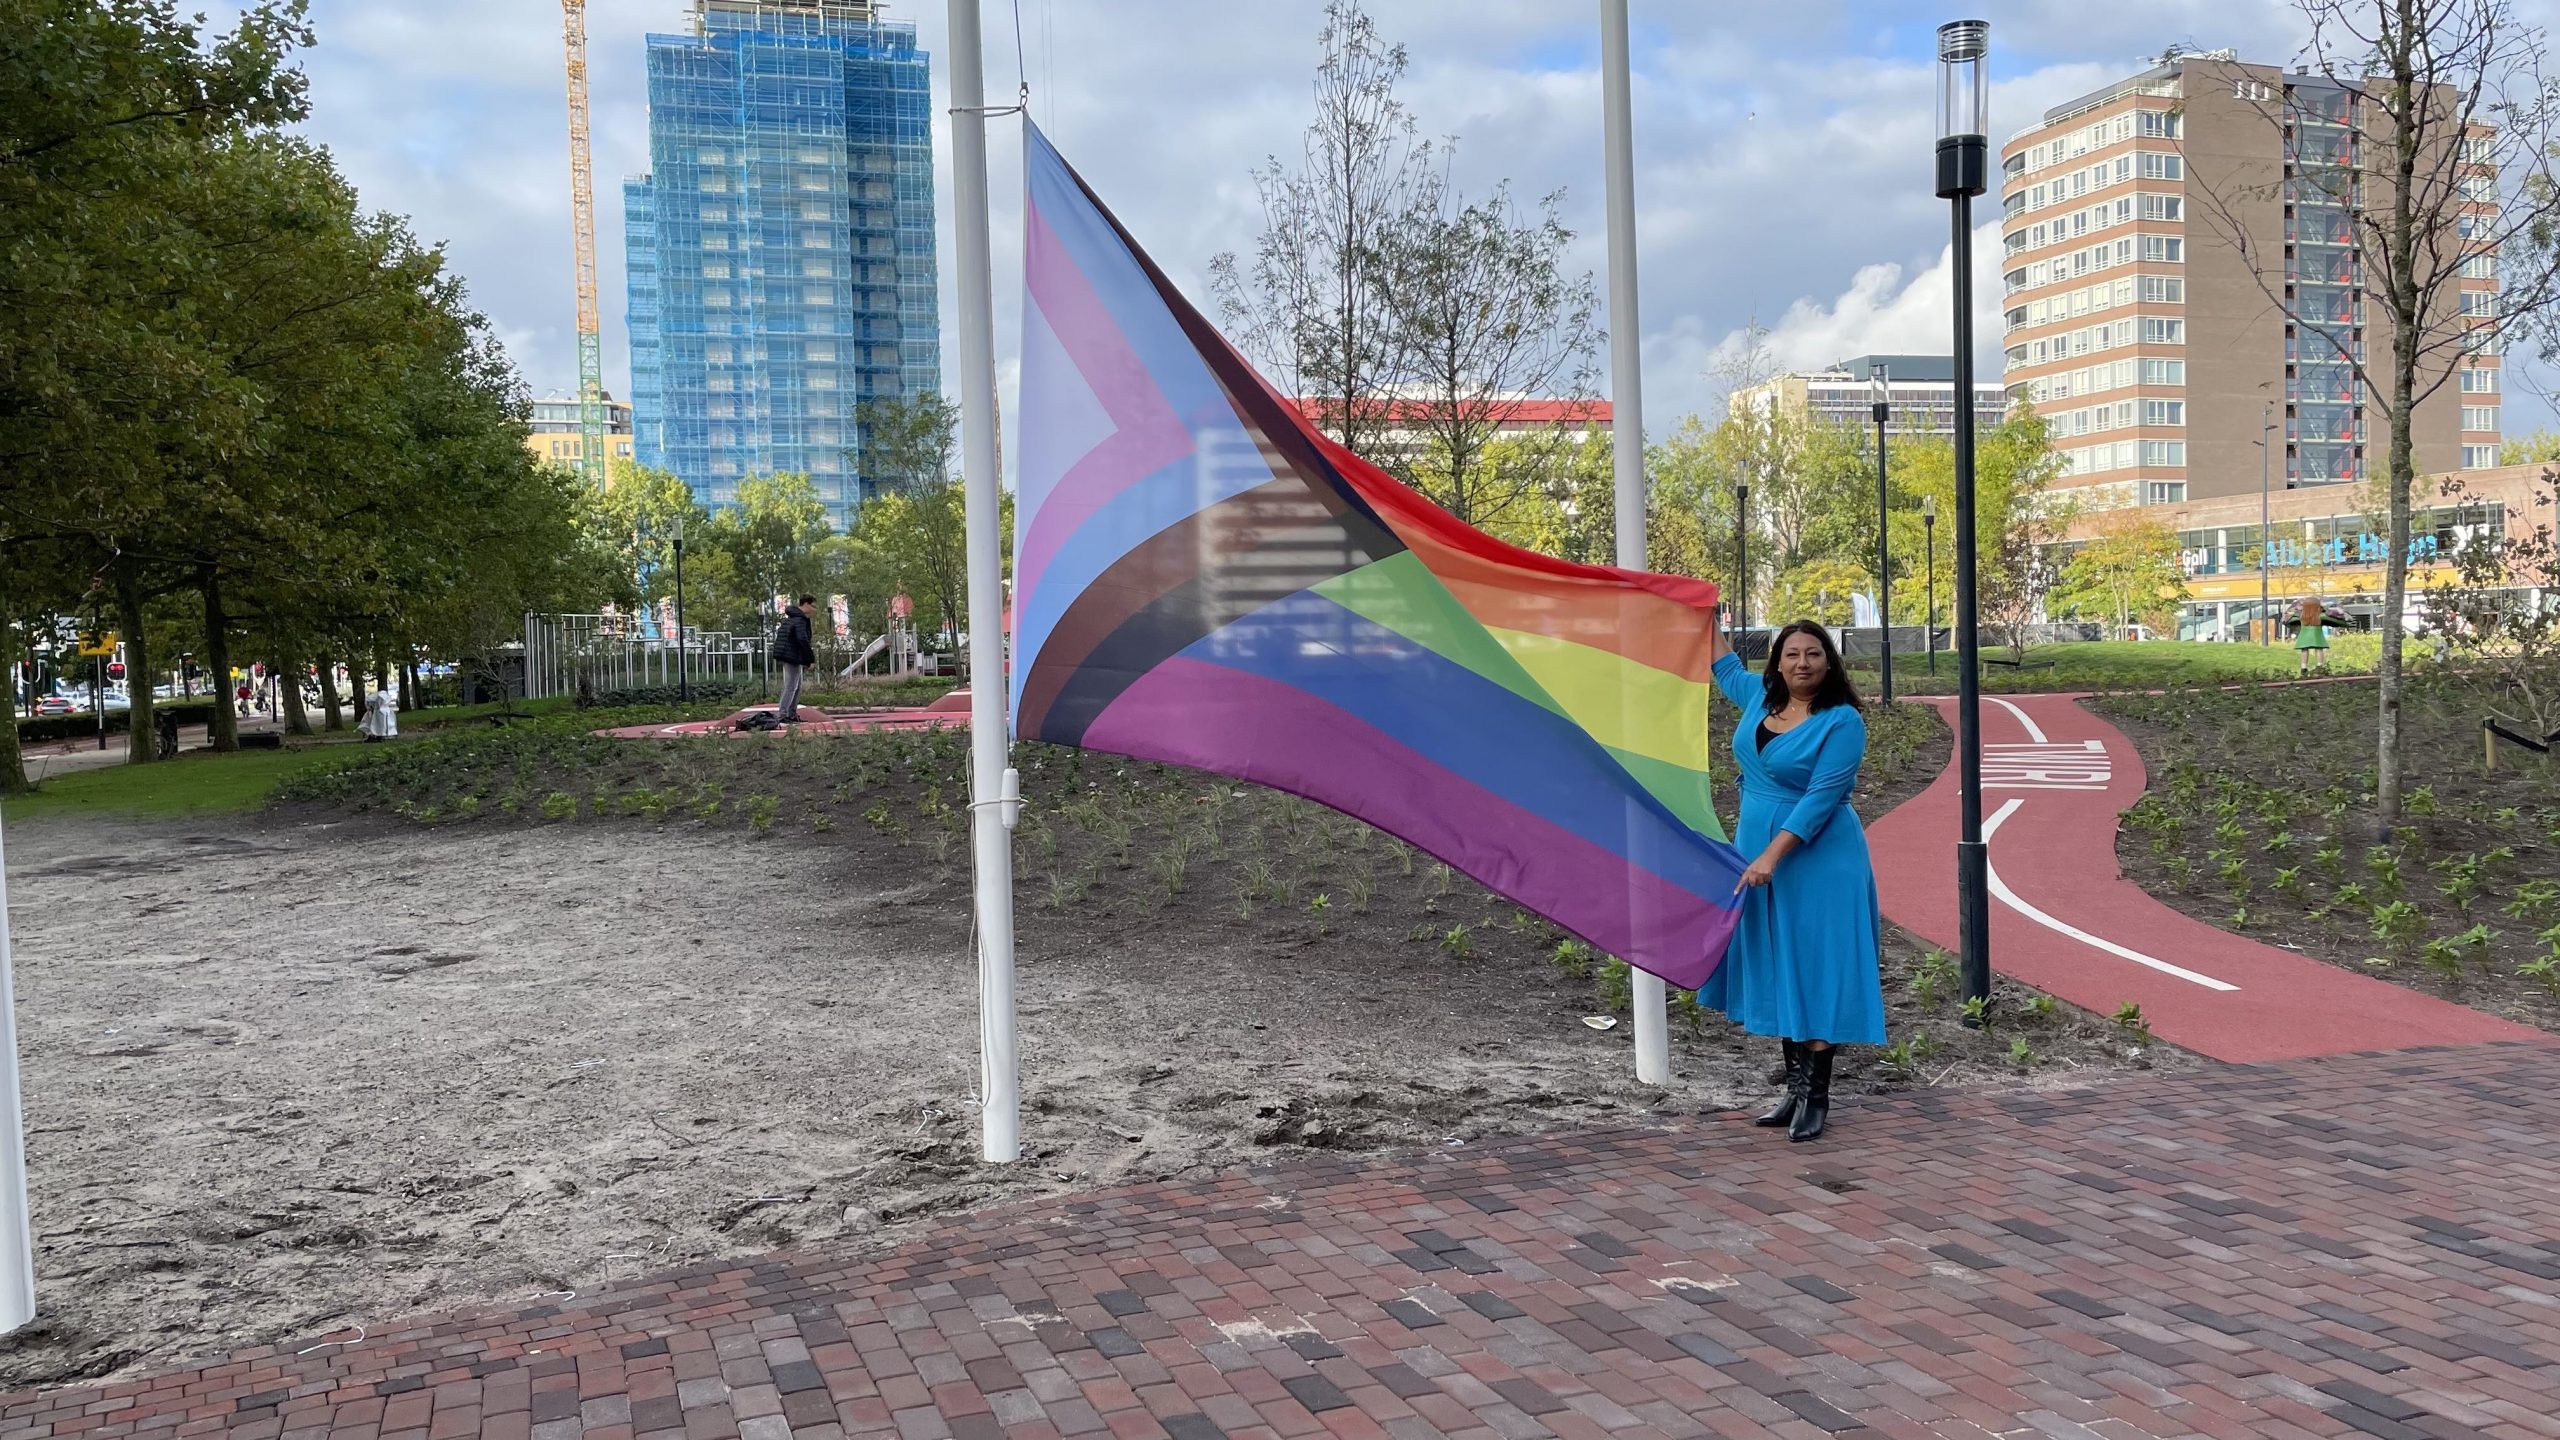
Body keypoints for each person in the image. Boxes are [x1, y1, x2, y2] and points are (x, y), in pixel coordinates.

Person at [1700, 619, 1885, 1142]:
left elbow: (1820, 800)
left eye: (1814, 654)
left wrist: (1771, 857)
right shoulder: (1761, 699)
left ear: (1830, 662)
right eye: (1792, 654)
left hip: (1817, 859)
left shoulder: (1842, 721)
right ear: (1777, 661)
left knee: (1817, 966)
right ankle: (1794, 1089)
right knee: (1780, 962)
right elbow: (1725, 666)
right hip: (1758, 853)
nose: (1802, 663)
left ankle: (1816, 1096)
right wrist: (1702, 614)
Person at [772, 594, 817, 722]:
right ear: (806, 604)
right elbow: (802, 639)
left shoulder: (794, 618)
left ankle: (791, 713)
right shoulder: (800, 620)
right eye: (813, 607)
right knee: (791, 686)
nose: (814, 610)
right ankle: (783, 714)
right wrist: (810, 659)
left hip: (790, 655)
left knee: (796, 686)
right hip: (791, 655)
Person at [2293, 597, 2331, 675]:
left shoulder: (2301, 616)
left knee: (2304, 650)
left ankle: (2303, 667)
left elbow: (2292, 616)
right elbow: (2329, 614)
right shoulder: (2320, 616)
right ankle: (2319, 666)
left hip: (2304, 636)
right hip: (2317, 636)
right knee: (2319, 649)